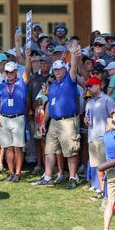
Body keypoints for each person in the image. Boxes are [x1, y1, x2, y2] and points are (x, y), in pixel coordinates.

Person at [33, 41, 81, 188]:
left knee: (71, 151)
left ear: (64, 70)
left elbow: (73, 68)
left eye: (60, 69)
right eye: (55, 70)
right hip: (53, 121)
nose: (57, 72)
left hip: (67, 121)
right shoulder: (52, 85)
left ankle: (73, 177)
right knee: (49, 150)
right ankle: (47, 176)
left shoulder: (70, 80)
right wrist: (43, 122)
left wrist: (73, 53)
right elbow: (49, 105)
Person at [0, 49, 31, 182]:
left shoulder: (21, 83)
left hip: (18, 118)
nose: (9, 74)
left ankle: (18, 173)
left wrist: (27, 58)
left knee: (17, 147)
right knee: (8, 148)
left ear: (16, 72)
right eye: (7, 72)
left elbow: (27, 72)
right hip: (4, 119)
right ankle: (11, 172)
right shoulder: (1, 86)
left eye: (11, 72)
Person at [84, 77, 115, 200]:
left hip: (104, 138)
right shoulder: (89, 102)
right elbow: (86, 119)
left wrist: (110, 133)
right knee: (98, 166)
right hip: (92, 137)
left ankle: (110, 192)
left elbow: (113, 118)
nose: (89, 89)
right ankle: (103, 191)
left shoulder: (108, 100)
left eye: (91, 86)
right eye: (88, 86)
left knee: (106, 166)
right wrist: (85, 121)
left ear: (99, 86)